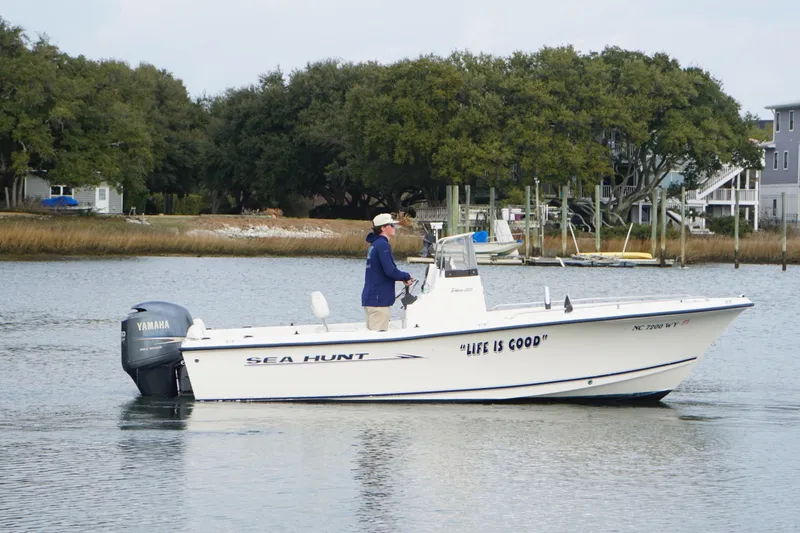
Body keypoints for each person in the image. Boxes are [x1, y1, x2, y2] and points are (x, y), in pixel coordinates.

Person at [361, 213, 413, 331]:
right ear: (383, 228)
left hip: (371, 299)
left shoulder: (374, 245)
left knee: (372, 335)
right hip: (379, 302)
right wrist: (406, 276)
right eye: (391, 225)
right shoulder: (383, 245)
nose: (394, 227)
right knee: (377, 339)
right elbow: (390, 271)